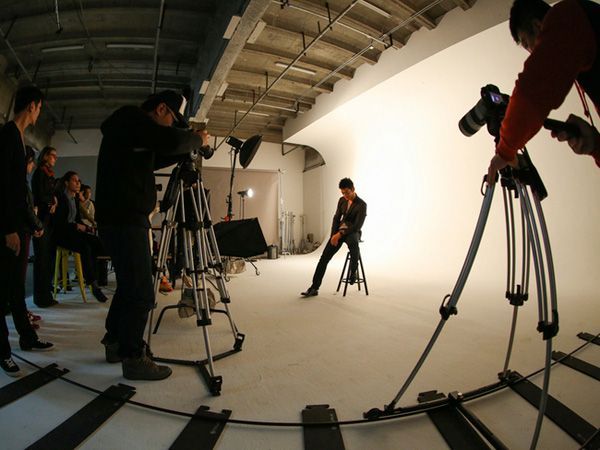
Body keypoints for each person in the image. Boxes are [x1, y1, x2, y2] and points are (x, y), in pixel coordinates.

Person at [95, 90, 209, 381]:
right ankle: (133, 357)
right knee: (143, 292)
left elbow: (158, 156)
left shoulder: (130, 134)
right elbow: (168, 141)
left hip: (120, 219)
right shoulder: (131, 119)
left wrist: (186, 150)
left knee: (129, 286)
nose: (172, 125)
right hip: (125, 220)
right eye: (172, 119)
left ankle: (115, 341)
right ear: (161, 109)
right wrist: (196, 139)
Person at [487, 0, 600, 184]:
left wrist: (505, 150)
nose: (532, 53)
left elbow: (533, 89)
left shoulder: (567, 15)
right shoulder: (585, 46)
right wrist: (594, 145)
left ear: (538, 26)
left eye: (527, 44)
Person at [0, 85, 53, 377]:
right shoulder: (9, 134)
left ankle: (27, 337)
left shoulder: (18, 137)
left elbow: (19, 192)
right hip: (9, 227)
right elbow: (4, 187)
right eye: (39, 108)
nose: (39, 113)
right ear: (32, 106)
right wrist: (8, 229)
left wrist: (28, 225)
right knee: (4, 290)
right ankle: (3, 353)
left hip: (19, 225)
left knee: (16, 288)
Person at [301, 178, 367, 297]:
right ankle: (314, 288)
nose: (345, 195)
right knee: (324, 258)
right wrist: (333, 236)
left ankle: (353, 271)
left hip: (353, 232)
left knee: (354, 244)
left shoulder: (361, 205)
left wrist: (339, 234)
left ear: (353, 189)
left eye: (347, 192)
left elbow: (357, 226)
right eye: (343, 193)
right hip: (339, 231)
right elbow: (336, 218)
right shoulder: (342, 200)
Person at [54, 171, 107, 302]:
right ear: (67, 183)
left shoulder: (75, 199)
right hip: (63, 235)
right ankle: (93, 285)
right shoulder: (61, 198)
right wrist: (77, 226)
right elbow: (59, 223)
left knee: (97, 242)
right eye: (74, 180)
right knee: (85, 247)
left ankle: (94, 278)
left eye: (79, 181)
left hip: (74, 232)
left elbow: (78, 219)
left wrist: (87, 227)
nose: (78, 183)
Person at [31, 146, 59, 307]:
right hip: (41, 219)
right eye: (53, 155)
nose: (55, 158)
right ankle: (41, 297)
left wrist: (54, 200)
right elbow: (40, 196)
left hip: (48, 219)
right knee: (41, 259)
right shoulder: (40, 173)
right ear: (45, 156)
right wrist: (51, 202)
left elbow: (50, 194)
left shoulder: (48, 174)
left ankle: (46, 294)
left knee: (47, 258)